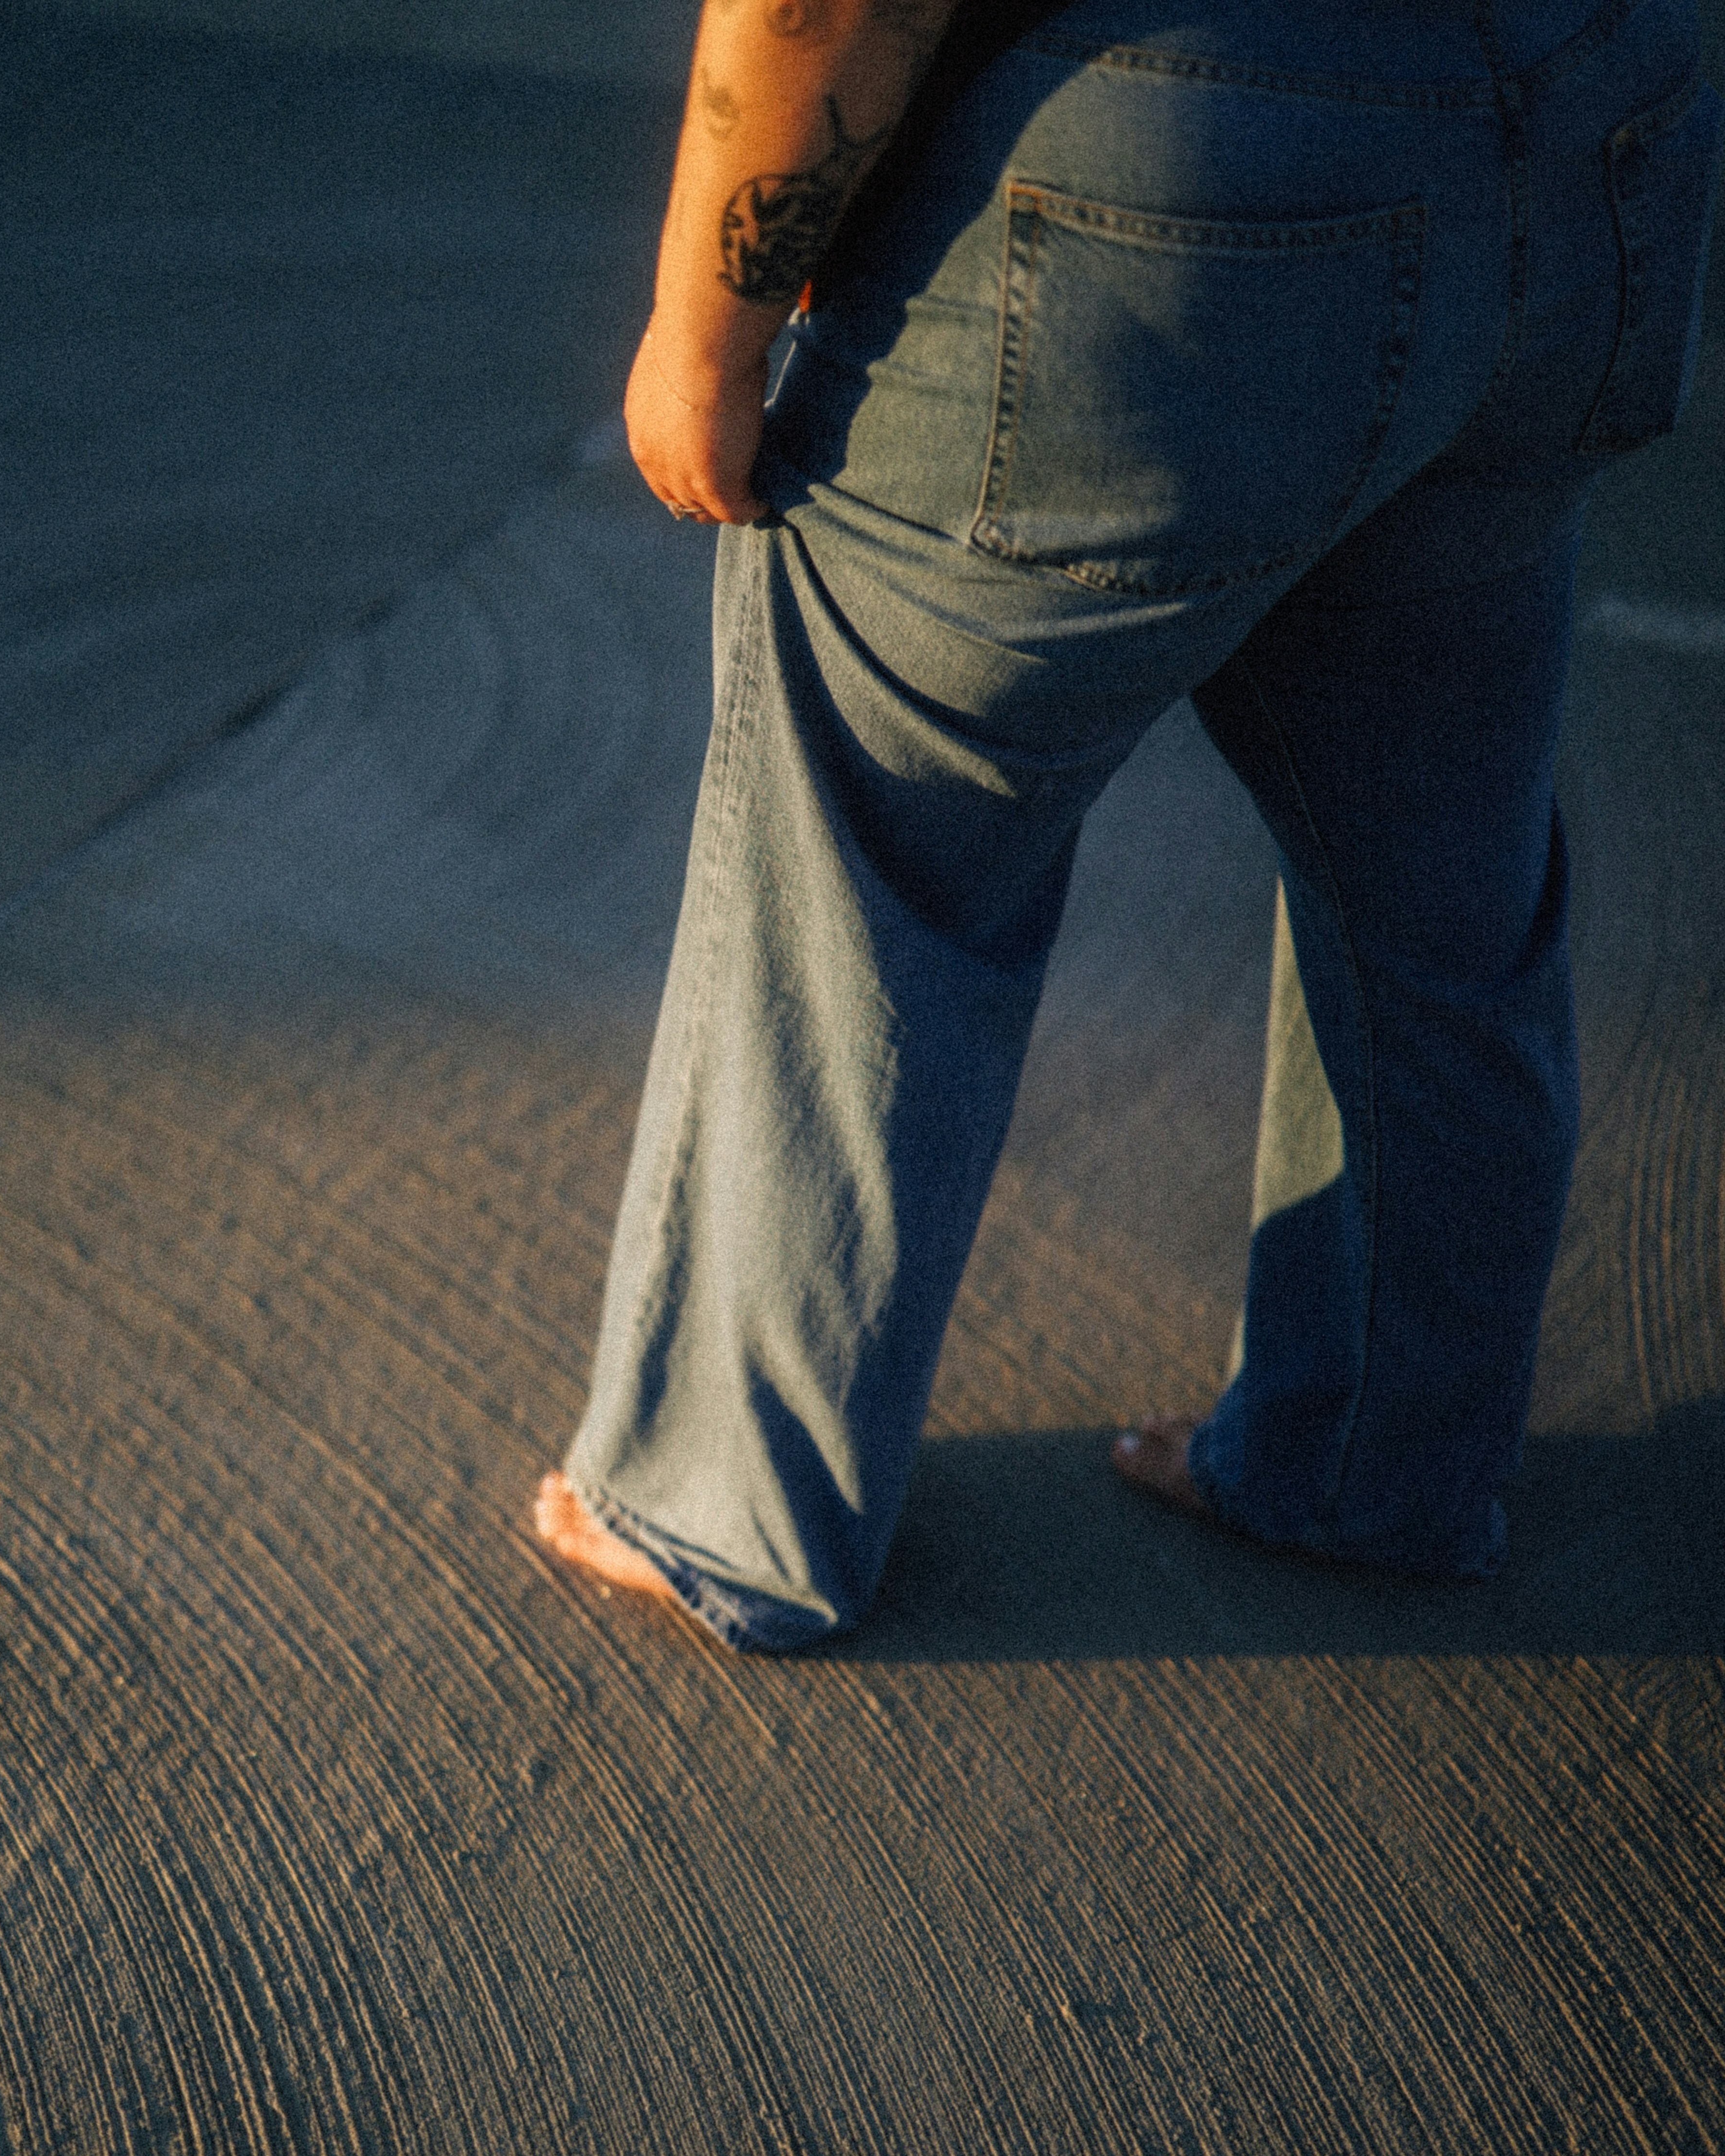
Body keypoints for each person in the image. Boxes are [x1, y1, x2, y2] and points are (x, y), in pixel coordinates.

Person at [537, 0, 1721, 1651]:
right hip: (1599, 114)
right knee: (1443, 863)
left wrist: (703, 335)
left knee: (877, 851)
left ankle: (724, 1506)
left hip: (1169, 172)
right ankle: (1380, 1466)